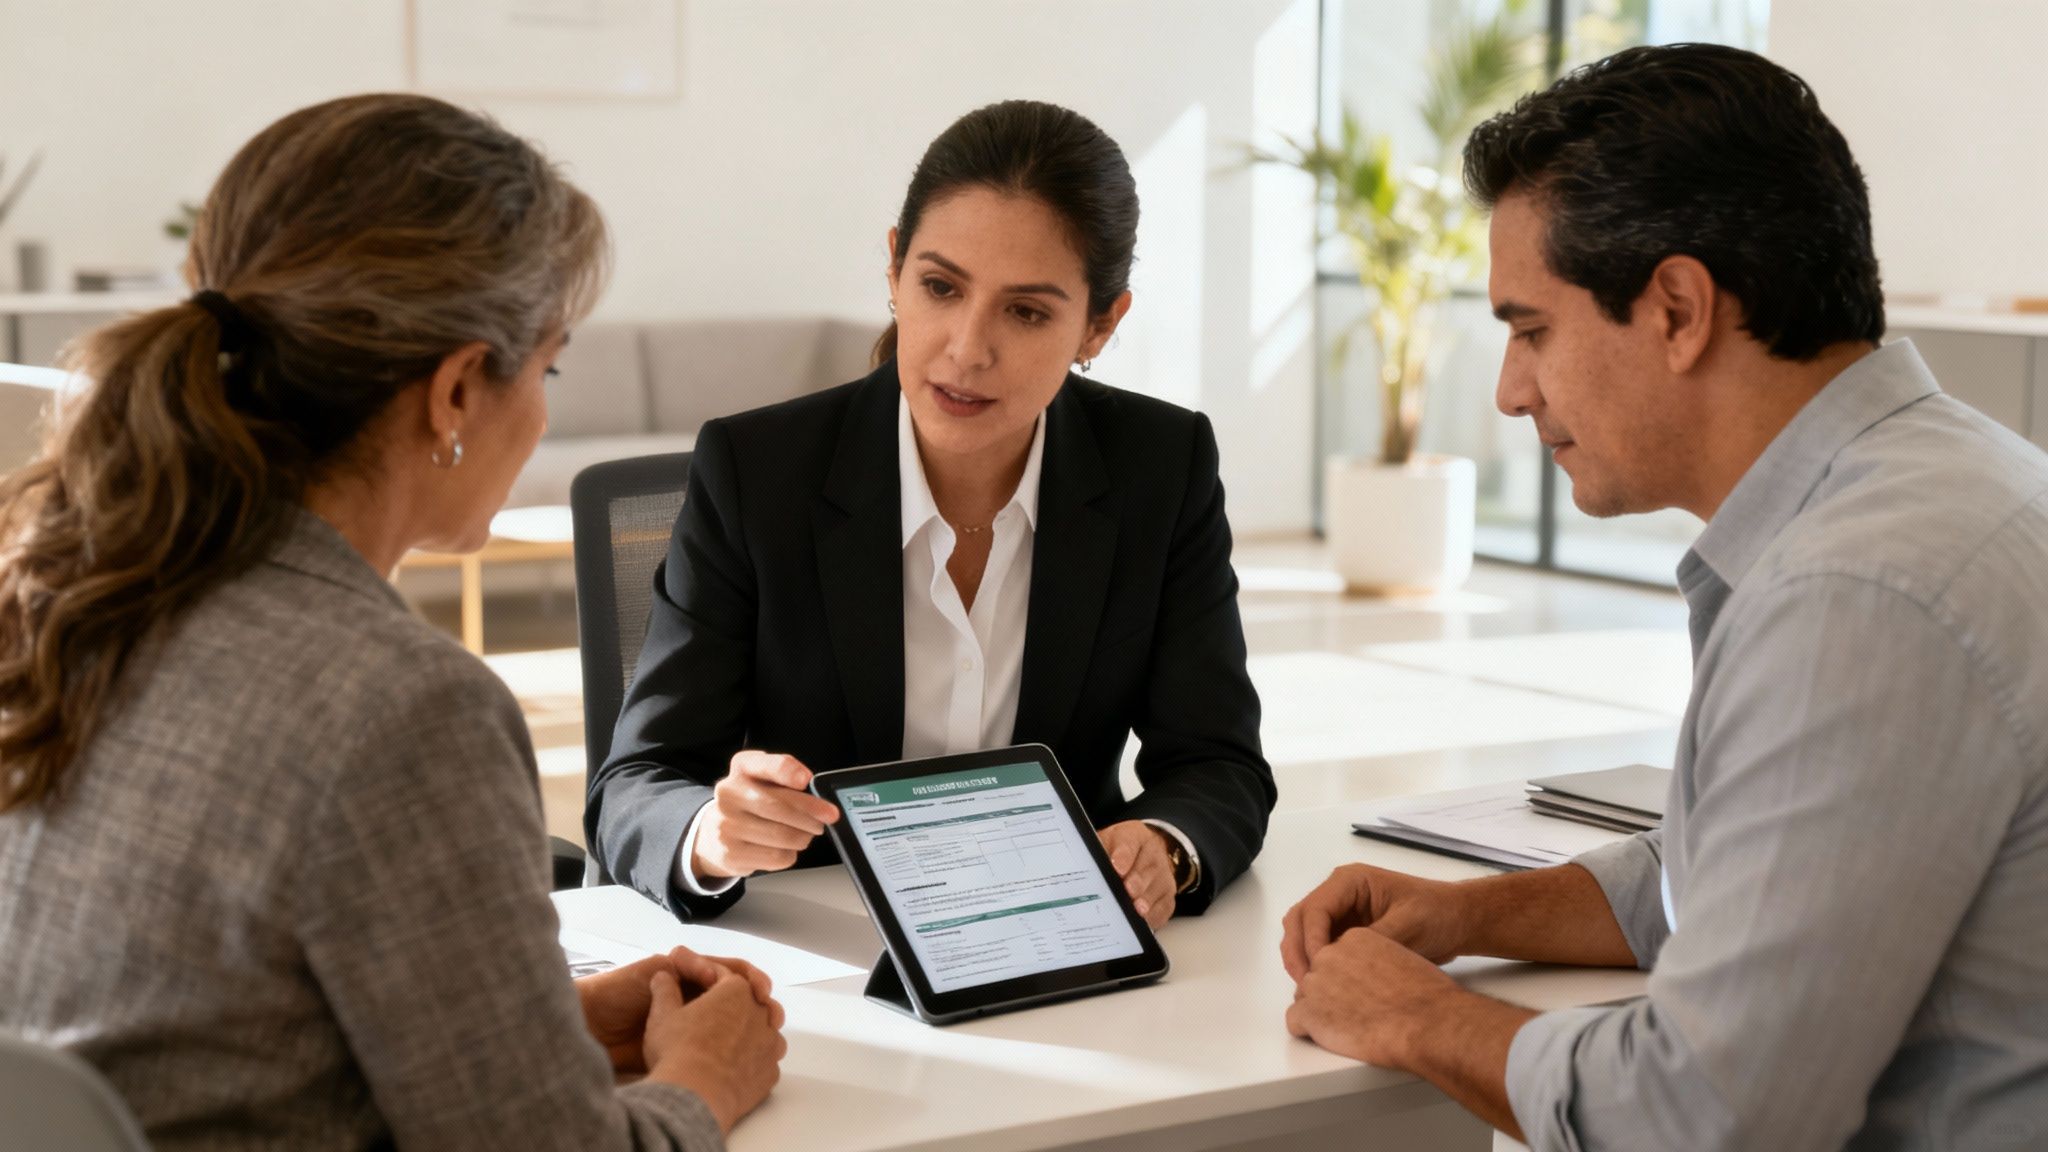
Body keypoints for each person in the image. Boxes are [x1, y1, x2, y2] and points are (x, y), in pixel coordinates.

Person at [1279, 43, 2048, 1151]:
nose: (1507, 392)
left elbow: (1702, 1115)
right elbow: (1750, 868)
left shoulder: (1855, 597)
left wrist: (1419, 1017)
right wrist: (1464, 916)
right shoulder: (1960, 481)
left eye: (1529, 329)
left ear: (1678, 309)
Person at [0, 94, 786, 1151]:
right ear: (457, 390)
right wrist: (704, 1079)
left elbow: (200, 1024)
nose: (544, 406)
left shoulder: (62, 595)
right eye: (545, 367)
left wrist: (535, 1026)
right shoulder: (405, 711)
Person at [588, 100, 1275, 927]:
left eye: (1026, 311)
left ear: (1100, 323)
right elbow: (636, 784)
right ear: (894, 270)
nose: (966, 348)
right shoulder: (757, 472)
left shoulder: (1160, 468)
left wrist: (1163, 843)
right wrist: (711, 833)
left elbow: (1217, 760)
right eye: (941, 287)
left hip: (1058, 930)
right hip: (820, 943)